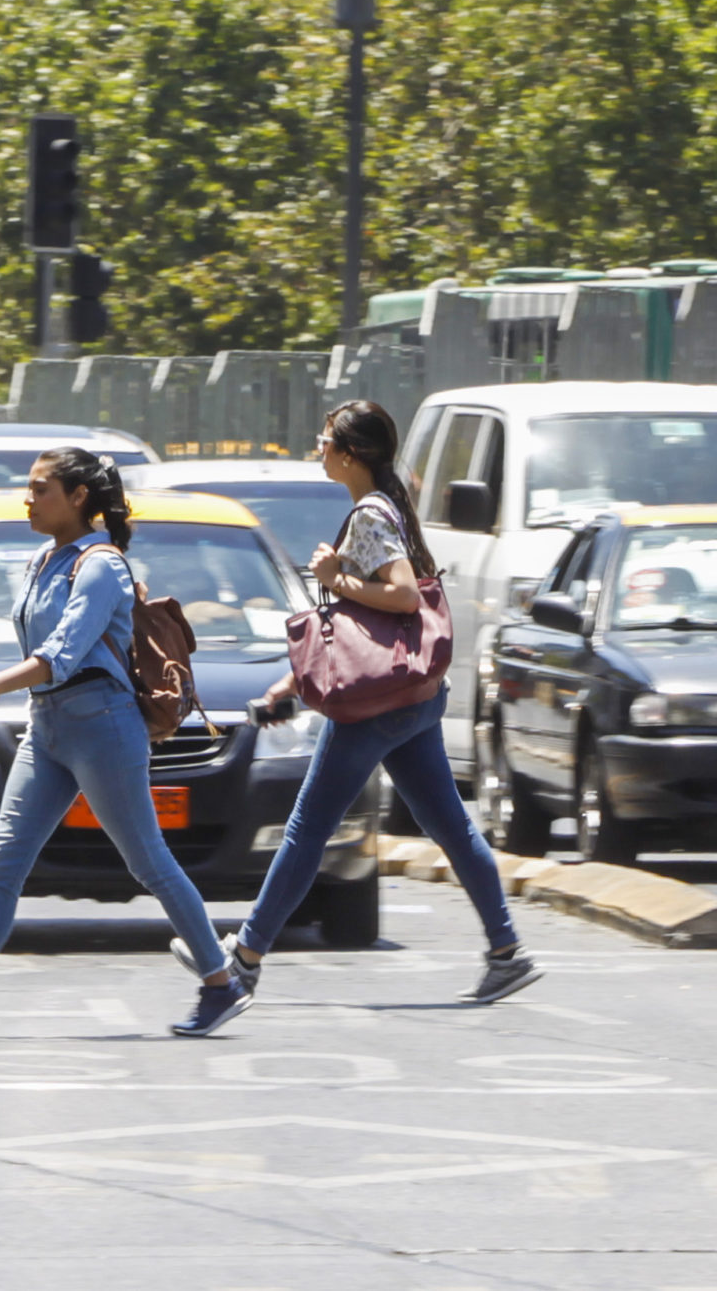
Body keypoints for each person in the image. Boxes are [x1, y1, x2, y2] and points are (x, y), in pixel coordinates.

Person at [0, 447, 252, 1039]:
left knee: (149, 862)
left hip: (103, 727)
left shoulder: (102, 566)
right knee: (3, 865)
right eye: (29, 488)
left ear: (79, 497)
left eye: (41, 489)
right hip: (48, 727)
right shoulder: (44, 559)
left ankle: (220, 982)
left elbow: (60, 655)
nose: (28, 500)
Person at [193, 400, 538, 1005]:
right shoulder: (388, 506)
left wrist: (334, 578)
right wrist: (289, 685)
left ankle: (244, 959)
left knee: (307, 829)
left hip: (374, 708)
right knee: (451, 827)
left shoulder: (371, 514)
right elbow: (360, 631)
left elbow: (402, 597)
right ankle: (506, 951)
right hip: (411, 696)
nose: (319, 447)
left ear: (352, 454)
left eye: (326, 440)